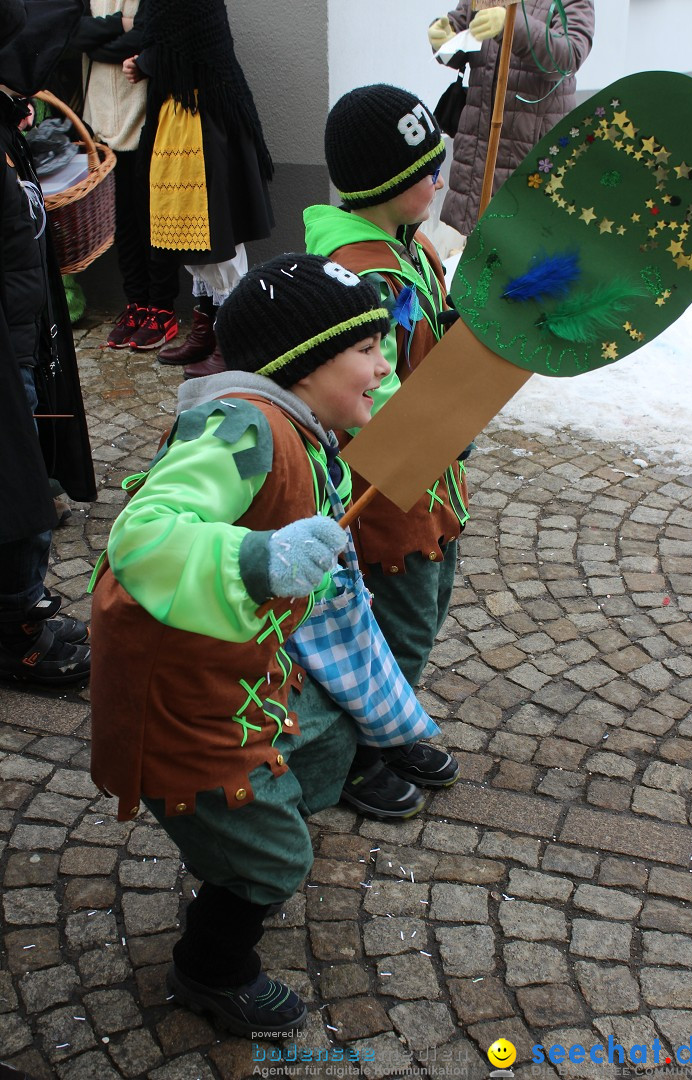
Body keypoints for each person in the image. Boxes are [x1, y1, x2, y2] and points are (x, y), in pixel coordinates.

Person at [90, 254, 391, 1036]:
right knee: (273, 858)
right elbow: (144, 533)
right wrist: (258, 560)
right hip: (180, 684)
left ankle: (254, 840)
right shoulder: (244, 425)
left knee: (330, 737)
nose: (384, 364)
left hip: (239, 663)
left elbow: (373, 414)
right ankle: (212, 966)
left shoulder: (305, 418)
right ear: (305, 360)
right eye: (367, 350)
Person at [305, 84, 466, 819]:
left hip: (431, 473)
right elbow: (375, 395)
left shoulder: (412, 246)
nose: (440, 178)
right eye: (427, 169)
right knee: (392, 620)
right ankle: (356, 756)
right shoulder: (363, 272)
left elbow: (424, 336)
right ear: (387, 184)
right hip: (386, 484)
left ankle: (390, 725)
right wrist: (450, 408)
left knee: (424, 609)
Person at [0, 0, 94, 687]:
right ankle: (14, 628)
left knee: (25, 480)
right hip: (6, 345)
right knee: (15, 489)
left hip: (23, 335)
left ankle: (21, 606)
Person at [119, 0, 274, 376]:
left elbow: (188, 50)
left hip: (208, 122)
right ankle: (206, 332)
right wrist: (146, 59)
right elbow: (157, 38)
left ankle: (233, 341)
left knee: (217, 238)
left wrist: (144, 63)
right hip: (178, 116)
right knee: (186, 233)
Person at [428, 0, 595, 235]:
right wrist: (445, 36)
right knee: (475, 243)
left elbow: (569, 56)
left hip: (529, 148)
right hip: (479, 149)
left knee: (521, 245)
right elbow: (463, 29)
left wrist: (510, 25)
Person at [68, 0, 151, 350]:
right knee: (122, 224)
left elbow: (152, 32)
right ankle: (135, 303)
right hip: (99, 119)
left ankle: (157, 308)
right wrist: (123, 24)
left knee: (150, 219)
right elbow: (73, 33)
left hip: (145, 111)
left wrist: (102, 42)